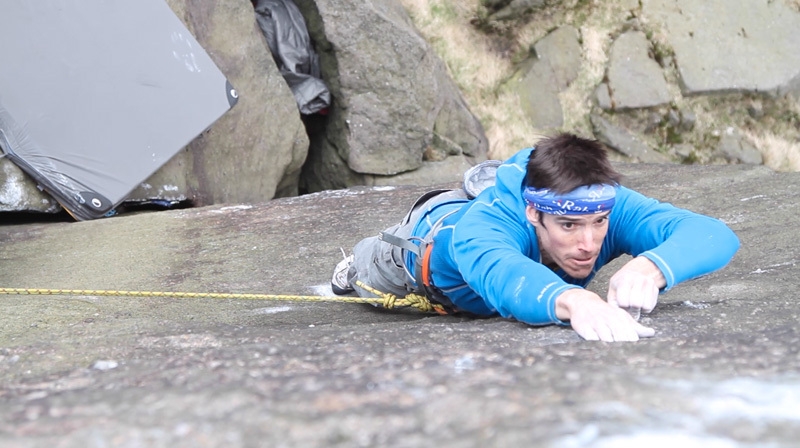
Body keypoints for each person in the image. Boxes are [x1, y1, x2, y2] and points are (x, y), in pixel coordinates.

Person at [330, 133, 740, 342]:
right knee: (369, 270)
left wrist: (651, 267)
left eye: (599, 223)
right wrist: (575, 300)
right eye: (568, 226)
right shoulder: (481, 232)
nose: (589, 242)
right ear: (533, 212)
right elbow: (505, 274)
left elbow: (713, 235)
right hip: (418, 253)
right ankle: (356, 266)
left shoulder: (598, 201)